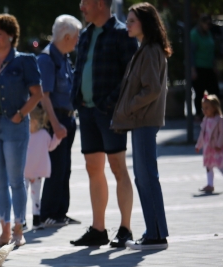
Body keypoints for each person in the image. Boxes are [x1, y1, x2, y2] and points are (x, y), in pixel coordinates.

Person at [70, 0, 138, 248]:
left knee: (118, 167)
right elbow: (79, 69)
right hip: (87, 112)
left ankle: (125, 229)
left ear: (100, 3)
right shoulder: (86, 34)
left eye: (85, 2)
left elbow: (131, 75)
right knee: (92, 168)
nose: (81, 7)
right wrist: (75, 98)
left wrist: (109, 103)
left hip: (109, 113)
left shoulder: (122, 33)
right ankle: (99, 229)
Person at [0, 13, 43, 247]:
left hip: (14, 126)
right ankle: (4, 231)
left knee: (16, 180)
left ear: (11, 36)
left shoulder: (24, 60)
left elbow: (37, 94)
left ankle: (18, 229)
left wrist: (20, 114)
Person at [111, 2, 171, 251]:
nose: (128, 24)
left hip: (144, 121)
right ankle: (154, 232)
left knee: (147, 177)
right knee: (143, 177)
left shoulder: (150, 50)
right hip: (141, 122)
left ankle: (156, 235)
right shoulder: (145, 48)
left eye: (132, 20)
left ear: (145, 23)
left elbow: (152, 89)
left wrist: (127, 108)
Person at [37, 15, 82, 228]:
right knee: (55, 168)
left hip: (68, 119)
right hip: (56, 120)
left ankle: (60, 212)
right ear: (65, 36)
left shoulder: (64, 57)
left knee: (65, 168)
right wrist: (55, 124)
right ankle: (48, 213)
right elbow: (44, 95)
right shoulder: (47, 59)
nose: (77, 40)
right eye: (75, 37)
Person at [25, 106, 62, 229]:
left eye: (29, 120)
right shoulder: (24, 133)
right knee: (22, 196)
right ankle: (21, 221)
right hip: (24, 172)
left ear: (35, 122)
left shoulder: (43, 134)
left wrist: (58, 137)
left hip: (36, 172)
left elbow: (50, 146)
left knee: (36, 197)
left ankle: (36, 220)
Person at [196, 95, 223, 193]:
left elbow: (222, 133)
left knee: (220, 166)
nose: (204, 110)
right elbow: (202, 134)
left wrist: (219, 144)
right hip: (208, 148)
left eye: (207, 108)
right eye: (203, 108)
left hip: (217, 147)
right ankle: (210, 185)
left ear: (214, 107)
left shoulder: (220, 119)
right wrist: (198, 145)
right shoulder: (205, 120)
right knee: (208, 166)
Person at [191, 15, 220, 119]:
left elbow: (211, 51)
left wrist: (214, 65)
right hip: (199, 67)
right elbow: (191, 53)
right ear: (201, 23)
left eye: (210, 24)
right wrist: (192, 69)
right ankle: (198, 114)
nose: (209, 26)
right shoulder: (194, 34)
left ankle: (215, 113)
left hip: (209, 67)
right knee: (199, 93)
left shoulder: (208, 34)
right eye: (207, 24)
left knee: (214, 91)